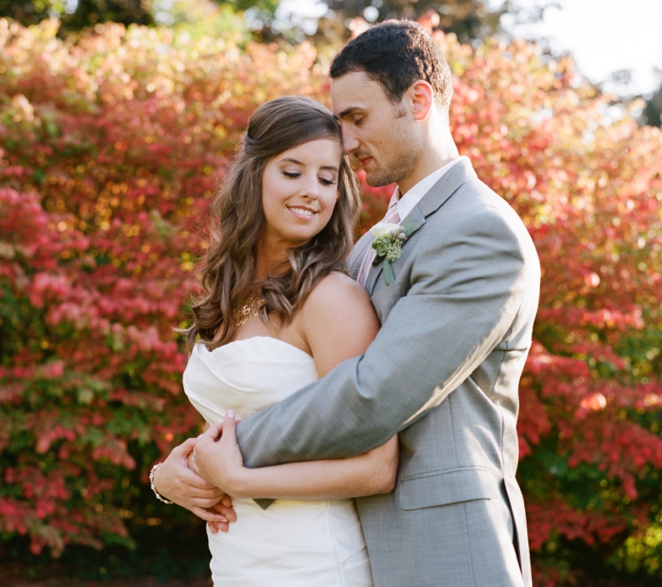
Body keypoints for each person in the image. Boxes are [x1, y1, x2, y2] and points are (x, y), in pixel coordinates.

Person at [187, 19, 541, 587]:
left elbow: (373, 392)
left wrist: (220, 454)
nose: (345, 142)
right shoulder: (377, 240)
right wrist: (185, 465)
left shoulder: (480, 232)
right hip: (348, 541)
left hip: (447, 547)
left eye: (357, 119)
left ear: (418, 100)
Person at [150, 95, 399, 586]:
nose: (312, 191)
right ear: (254, 174)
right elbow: (226, 430)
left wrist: (240, 481)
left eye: (327, 178)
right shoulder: (227, 293)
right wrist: (167, 478)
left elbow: (376, 466)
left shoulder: (333, 301)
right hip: (237, 558)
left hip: (313, 562)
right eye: (292, 171)